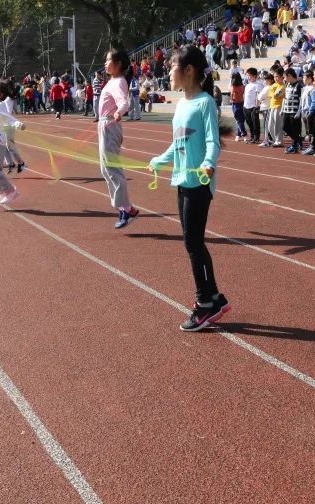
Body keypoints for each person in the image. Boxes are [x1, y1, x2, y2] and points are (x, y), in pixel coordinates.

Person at [148, 46, 231, 332]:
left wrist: (208, 163)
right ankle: (214, 297)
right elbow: (178, 143)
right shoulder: (182, 104)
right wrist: (159, 160)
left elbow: (212, 141)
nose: (168, 72)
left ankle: (204, 303)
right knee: (193, 242)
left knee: (193, 243)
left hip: (199, 183)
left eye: (172, 67)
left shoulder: (205, 103)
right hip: (182, 180)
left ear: (188, 70)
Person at [98, 48, 139, 229]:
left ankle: (126, 209)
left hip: (110, 125)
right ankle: (126, 207)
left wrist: (118, 112)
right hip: (105, 125)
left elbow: (124, 102)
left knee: (112, 169)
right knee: (106, 169)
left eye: (108, 60)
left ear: (118, 63)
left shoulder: (119, 82)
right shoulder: (113, 81)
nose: (105, 63)